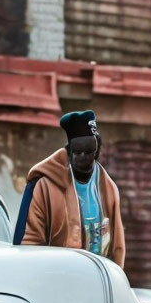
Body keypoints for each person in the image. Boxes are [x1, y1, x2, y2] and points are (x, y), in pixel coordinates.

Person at [13, 110, 125, 268]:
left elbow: (117, 248)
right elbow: (30, 243)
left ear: (97, 151)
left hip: (96, 282)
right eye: (78, 152)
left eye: (89, 151)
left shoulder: (108, 189)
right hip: (55, 279)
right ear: (69, 152)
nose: (83, 157)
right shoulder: (45, 186)